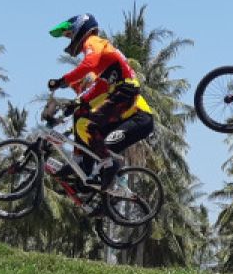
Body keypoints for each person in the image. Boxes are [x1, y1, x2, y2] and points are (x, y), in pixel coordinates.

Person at [47, 14, 155, 189]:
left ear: (79, 29)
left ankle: (109, 163)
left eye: (69, 34)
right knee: (81, 114)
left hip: (125, 90)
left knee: (89, 126)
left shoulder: (94, 41)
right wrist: (78, 102)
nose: (68, 39)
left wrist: (62, 81)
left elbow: (88, 65)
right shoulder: (102, 59)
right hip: (120, 90)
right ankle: (83, 163)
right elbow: (100, 87)